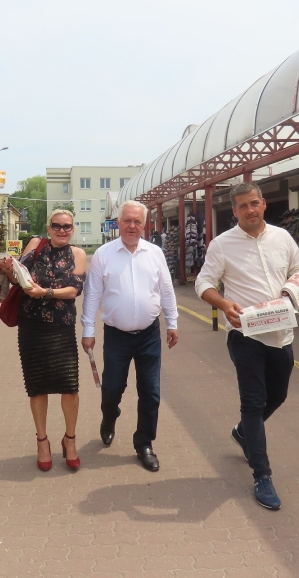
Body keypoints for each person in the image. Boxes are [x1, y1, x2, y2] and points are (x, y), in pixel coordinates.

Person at [195, 182, 299, 511]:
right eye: (243, 206)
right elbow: (204, 282)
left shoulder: (282, 238)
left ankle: (244, 433)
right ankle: (262, 475)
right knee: (253, 402)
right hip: (246, 335)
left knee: (278, 396)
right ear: (234, 211)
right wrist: (223, 303)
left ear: (263, 204)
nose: (250, 210)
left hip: (281, 333)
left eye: (254, 203)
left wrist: (291, 290)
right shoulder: (222, 245)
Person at [81, 200, 179, 473]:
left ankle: (144, 444)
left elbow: (166, 290)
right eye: (127, 221)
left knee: (151, 392)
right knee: (112, 388)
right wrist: (88, 331)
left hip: (149, 335)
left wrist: (172, 322)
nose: (132, 226)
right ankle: (109, 416)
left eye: (137, 221)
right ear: (118, 223)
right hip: (116, 336)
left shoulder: (155, 253)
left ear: (145, 224)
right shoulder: (103, 255)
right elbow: (92, 295)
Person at [0, 210, 87, 471]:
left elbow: (73, 290)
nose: (62, 230)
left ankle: (70, 440)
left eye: (67, 226)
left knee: (69, 386)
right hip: (32, 325)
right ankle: (42, 442)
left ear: (73, 229)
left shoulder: (78, 254)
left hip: (61, 326)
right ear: (49, 228)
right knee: (37, 387)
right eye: (56, 226)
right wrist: (8, 271)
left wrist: (44, 292)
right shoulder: (36, 245)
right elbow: (19, 279)